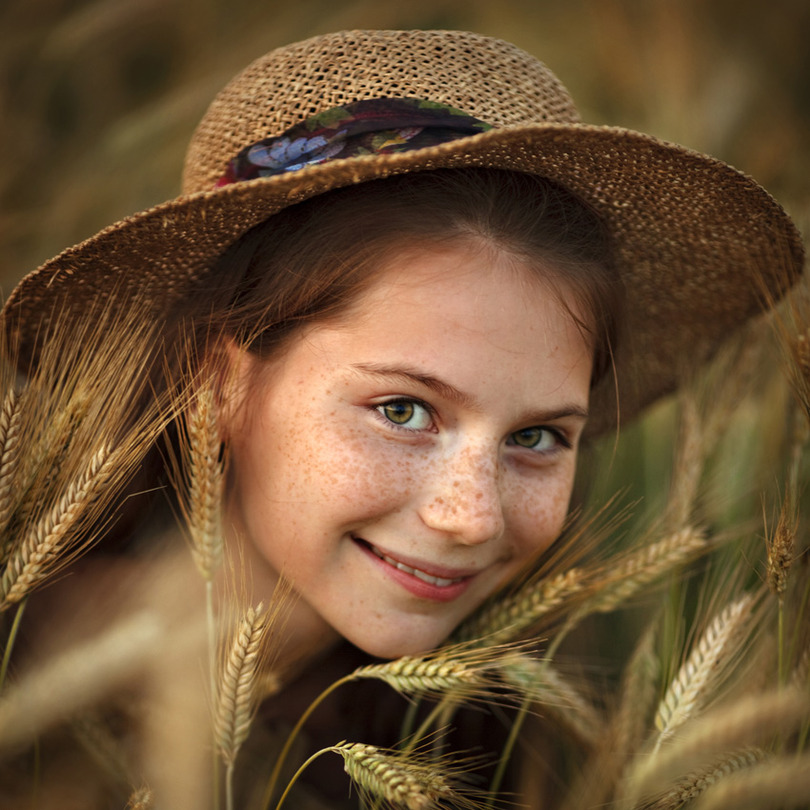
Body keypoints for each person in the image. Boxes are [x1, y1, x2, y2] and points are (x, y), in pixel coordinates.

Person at [0, 29, 803, 810]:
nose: (470, 517)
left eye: (536, 437)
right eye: (403, 409)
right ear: (216, 382)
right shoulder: (27, 706)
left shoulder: (500, 739)